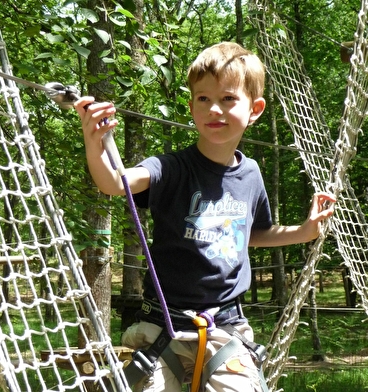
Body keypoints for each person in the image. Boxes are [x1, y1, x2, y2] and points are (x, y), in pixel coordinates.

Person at [75, 42, 336, 392]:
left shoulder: (251, 175)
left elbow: (252, 233)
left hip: (225, 328)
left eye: (228, 99)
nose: (215, 109)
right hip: (162, 326)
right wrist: (95, 141)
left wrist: (304, 231)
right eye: (203, 99)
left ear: (254, 109)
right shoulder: (169, 168)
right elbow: (114, 182)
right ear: (191, 106)